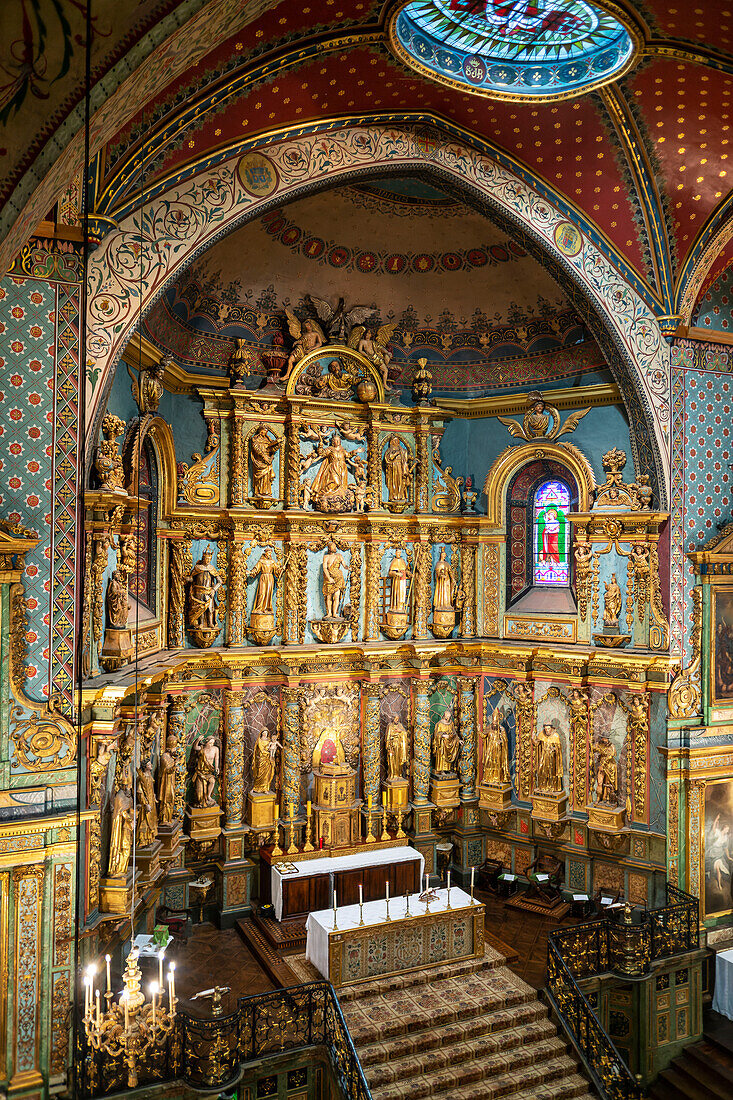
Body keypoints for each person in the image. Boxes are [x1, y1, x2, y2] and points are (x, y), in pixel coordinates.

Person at [188, 548, 222, 631]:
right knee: (201, 608)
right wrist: (188, 579)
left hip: (209, 592)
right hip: (198, 592)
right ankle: (201, 623)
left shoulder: (212, 568)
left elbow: (220, 581)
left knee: (210, 609)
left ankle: (210, 623)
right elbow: (192, 579)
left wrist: (214, 589)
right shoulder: (197, 568)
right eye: (206, 559)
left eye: (209, 559)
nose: (207, 561)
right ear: (203, 558)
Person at [108, 788, 134, 877]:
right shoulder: (120, 797)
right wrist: (130, 819)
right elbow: (123, 812)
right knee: (125, 849)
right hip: (124, 831)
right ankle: (119, 869)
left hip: (126, 830)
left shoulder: (124, 798)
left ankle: (121, 869)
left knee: (126, 850)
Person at [248, 548, 282, 616]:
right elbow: (256, 569)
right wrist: (251, 572)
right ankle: (259, 608)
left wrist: (281, 569)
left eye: (270, 552)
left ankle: (267, 608)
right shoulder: (261, 561)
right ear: (265, 553)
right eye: (268, 552)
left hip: (270, 578)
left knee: (268, 593)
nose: (269, 554)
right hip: (263, 577)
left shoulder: (272, 562)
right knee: (262, 593)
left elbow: (277, 571)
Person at [249, 425, 280, 498]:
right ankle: (258, 492)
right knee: (259, 478)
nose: (265, 433)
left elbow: (271, 449)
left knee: (267, 477)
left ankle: (267, 492)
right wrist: (263, 456)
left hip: (267, 461)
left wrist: (278, 444)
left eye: (266, 431)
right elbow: (256, 449)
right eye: (264, 431)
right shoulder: (255, 439)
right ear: (260, 431)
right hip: (259, 460)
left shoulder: (267, 439)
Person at [192, 735, 220, 808]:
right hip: (201, 772)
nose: (211, 745)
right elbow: (195, 747)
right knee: (200, 794)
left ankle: (208, 796)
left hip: (209, 771)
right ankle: (201, 801)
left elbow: (216, 759)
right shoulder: (202, 749)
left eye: (213, 743)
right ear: (206, 743)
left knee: (212, 781)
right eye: (210, 743)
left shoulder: (215, 749)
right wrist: (198, 740)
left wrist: (217, 767)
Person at [384, 434, 411, 504]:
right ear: (392, 442)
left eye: (397, 441)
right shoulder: (389, 450)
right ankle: (393, 496)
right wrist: (396, 453)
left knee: (401, 482)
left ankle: (401, 496)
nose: (396, 442)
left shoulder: (402, 450)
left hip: (400, 467)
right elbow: (389, 458)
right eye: (394, 441)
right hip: (393, 468)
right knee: (393, 482)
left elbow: (406, 458)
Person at [322, 541, 346, 618]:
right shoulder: (326, 557)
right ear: (329, 548)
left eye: (335, 546)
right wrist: (329, 578)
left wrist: (348, 567)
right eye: (333, 546)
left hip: (338, 579)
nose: (335, 548)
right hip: (329, 579)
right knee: (329, 597)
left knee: (337, 596)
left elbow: (344, 565)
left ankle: (335, 613)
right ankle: (329, 613)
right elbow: (325, 568)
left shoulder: (339, 556)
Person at [157, 734, 177, 825]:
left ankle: (168, 818)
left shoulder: (169, 756)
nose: (175, 750)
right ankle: (164, 819)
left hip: (170, 781)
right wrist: (175, 765)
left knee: (171, 800)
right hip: (166, 783)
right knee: (166, 800)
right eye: (175, 748)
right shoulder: (164, 757)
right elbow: (167, 770)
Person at [433, 708, 460, 773]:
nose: (448, 718)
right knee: (442, 755)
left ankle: (448, 769)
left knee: (449, 755)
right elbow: (436, 734)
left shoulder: (451, 723)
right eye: (447, 717)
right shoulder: (439, 724)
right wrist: (442, 735)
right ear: (444, 716)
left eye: (449, 717)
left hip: (450, 742)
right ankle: (441, 770)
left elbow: (454, 733)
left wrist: (458, 740)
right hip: (442, 743)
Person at [388, 549, 411, 613]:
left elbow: (405, 570)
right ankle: (396, 607)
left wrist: (409, 574)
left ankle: (401, 607)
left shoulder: (402, 561)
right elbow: (390, 573)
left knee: (403, 594)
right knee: (397, 594)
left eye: (400, 552)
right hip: (397, 581)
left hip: (403, 580)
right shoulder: (394, 561)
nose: (399, 554)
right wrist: (396, 574)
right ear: (395, 553)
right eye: (398, 552)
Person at [433, 546, 455, 611]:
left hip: (447, 580)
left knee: (446, 592)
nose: (444, 556)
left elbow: (450, 572)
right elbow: (437, 572)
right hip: (441, 581)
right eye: (443, 554)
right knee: (441, 591)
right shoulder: (438, 563)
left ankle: (447, 604)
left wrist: (453, 579)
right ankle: (440, 605)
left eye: (445, 555)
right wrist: (440, 575)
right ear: (441, 555)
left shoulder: (447, 564)